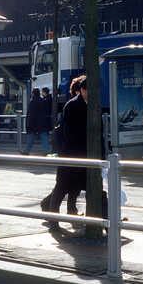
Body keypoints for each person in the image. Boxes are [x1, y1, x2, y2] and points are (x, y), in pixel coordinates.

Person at [46, 76, 88, 230]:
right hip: (71, 154)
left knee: (73, 188)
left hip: (80, 156)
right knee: (62, 188)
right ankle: (53, 220)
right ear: (82, 90)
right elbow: (71, 133)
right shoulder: (73, 106)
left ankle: (69, 213)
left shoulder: (85, 104)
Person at [23, 88, 50, 155]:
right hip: (42, 122)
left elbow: (30, 114)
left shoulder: (32, 102)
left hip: (33, 123)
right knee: (44, 137)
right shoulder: (43, 101)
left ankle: (26, 151)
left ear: (33, 93)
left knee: (30, 138)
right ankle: (46, 151)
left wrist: (28, 124)